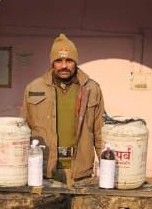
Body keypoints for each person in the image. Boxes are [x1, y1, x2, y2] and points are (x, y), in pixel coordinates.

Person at [21, 34, 105, 184]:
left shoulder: (92, 89)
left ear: (76, 62)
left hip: (79, 169)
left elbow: (100, 133)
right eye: (59, 61)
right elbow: (23, 130)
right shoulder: (34, 88)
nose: (64, 66)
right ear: (52, 63)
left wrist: (107, 169)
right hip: (44, 169)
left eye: (69, 60)